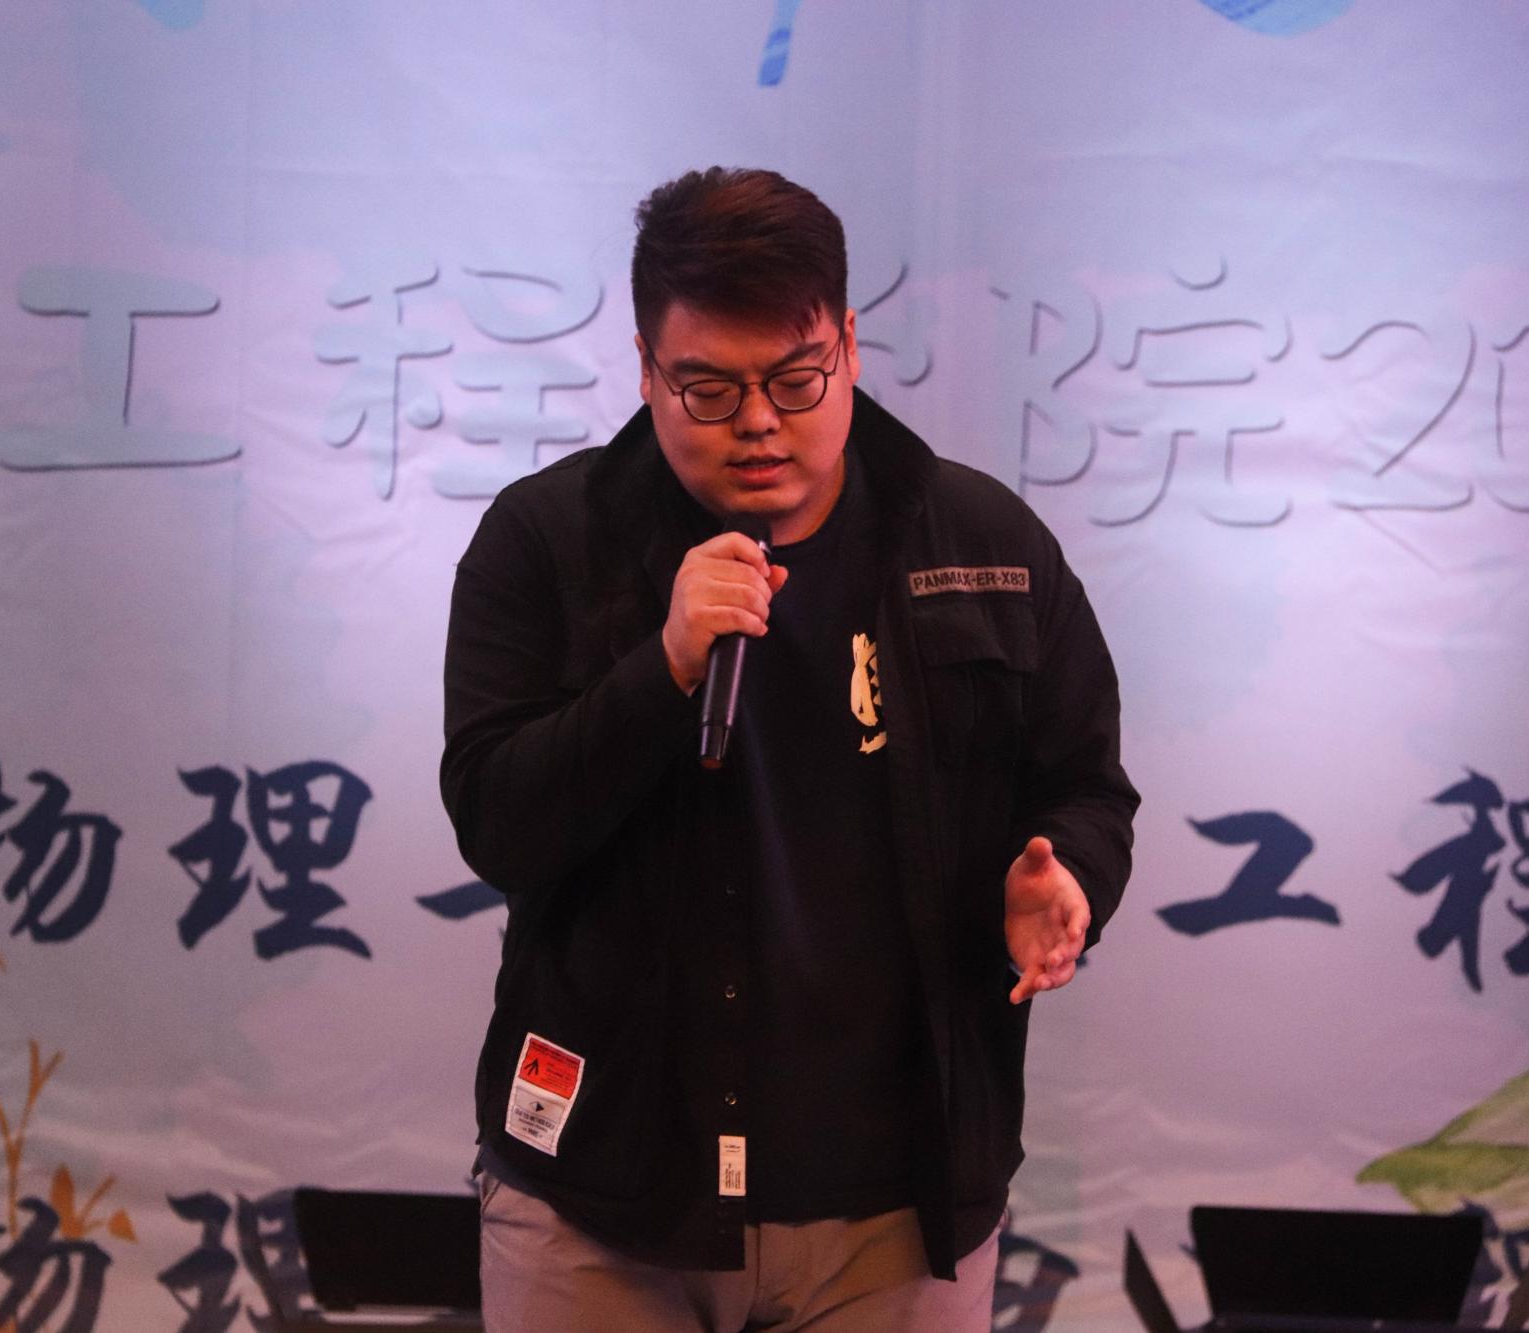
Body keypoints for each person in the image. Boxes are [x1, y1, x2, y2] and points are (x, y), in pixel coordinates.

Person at [440, 166, 1139, 1332]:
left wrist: (1065, 876)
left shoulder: (982, 543)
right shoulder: (546, 541)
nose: (757, 421)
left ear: (849, 347)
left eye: (793, 378)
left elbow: (1084, 786)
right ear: (645, 367)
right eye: (708, 388)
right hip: (604, 1194)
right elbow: (496, 821)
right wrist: (662, 666)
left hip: (895, 1203)